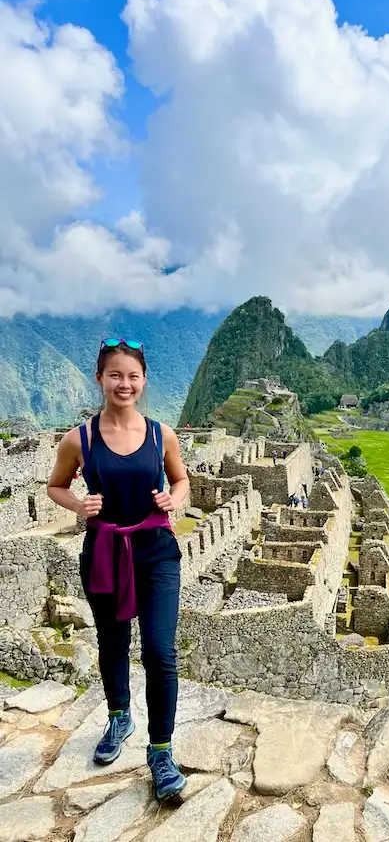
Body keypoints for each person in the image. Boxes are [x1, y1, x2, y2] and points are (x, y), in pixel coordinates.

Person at [46, 338, 190, 802]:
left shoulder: (160, 434)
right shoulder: (79, 439)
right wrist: (80, 504)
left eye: (132, 376)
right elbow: (56, 486)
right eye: (115, 375)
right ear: (100, 378)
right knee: (112, 642)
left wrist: (176, 499)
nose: (124, 384)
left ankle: (161, 752)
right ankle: (118, 716)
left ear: (143, 381)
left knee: (160, 651)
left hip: (156, 551)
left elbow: (182, 479)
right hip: (105, 549)